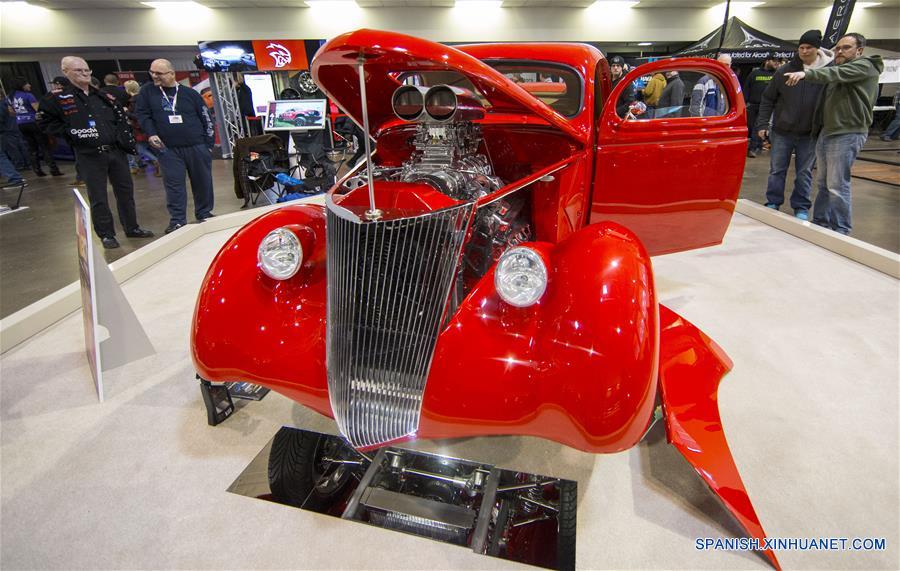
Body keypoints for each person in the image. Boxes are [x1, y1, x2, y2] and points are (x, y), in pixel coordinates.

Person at [39, 56, 154, 249]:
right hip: (89, 154)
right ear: (66, 71)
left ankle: (132, 227)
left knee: (125, 191)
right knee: (98, 196)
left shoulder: (102, 96)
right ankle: (106, 234)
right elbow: (45, 123)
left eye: (86, 71)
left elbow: (119, 119)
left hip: (115, 151)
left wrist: (124, 139)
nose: (84, 74)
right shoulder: (58, 98)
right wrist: (71, 135)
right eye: (78, 71)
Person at [784, 33, 883, 235]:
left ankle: (841, 229)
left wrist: (806, 74)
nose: (839, 51)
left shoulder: (865, 66)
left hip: (847, 132)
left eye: (845, 48)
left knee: (837, 184)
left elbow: (830, 75)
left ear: (859, 51)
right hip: (827, 132)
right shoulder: (838, 69)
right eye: (837, 48)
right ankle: (821, 223)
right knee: (823, 183)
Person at [756, 30, 833, 220]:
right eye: (801, 47)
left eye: (809, 48)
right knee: (777, 169)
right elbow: (768, 98)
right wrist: (763, 124)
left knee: (804, 172)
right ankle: (773, 202)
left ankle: (801, 207)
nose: (804, 51)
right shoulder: (784, 71)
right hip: (783, 131)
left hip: (810, 133)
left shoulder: (826, 73)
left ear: (817, 49)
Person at [135, 58, 215, 233]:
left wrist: (208, 145)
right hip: (168, 148)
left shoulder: (190, 94)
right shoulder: (147, 92)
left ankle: (205, 214)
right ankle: (178, 220)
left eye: (159, 73)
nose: (155, 76)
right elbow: (143, 115)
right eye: (152, 72)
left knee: (203, 182)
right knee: (174, 185)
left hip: (196, 146)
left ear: (172, 74)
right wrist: (151, 133)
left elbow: (206, 117)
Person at [7, 77, 62, 177]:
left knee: (32, 147)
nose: (29, 85)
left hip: (21, 123)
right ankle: (53, 169)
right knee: (45, 146)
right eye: (27, 83)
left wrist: (21, 115)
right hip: (33, 122)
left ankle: (37, 169)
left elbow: (11, 112)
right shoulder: (28, 95)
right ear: (22, 85)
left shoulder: (11, 96)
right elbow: (37, 109)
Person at [123, 79, 161, 176]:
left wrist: (127, 112)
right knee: (153, 147)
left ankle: (156, 161)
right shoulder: (146, 98)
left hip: (139, 129)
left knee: (140, 148)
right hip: (149, 127)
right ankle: (159, 162)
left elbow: (137, 116)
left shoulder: (133, 101)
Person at [743, 56, 779, 158]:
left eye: (778, 61)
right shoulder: (754, 74)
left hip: (767, 107)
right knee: (752, 127)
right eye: (774, 61)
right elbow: (747, 88)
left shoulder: (776, 75)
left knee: (757, 126)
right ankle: (757, 145)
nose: (776, 63)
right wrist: (744, 102)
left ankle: (752, 148)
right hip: (752, 105)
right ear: (767, 61)